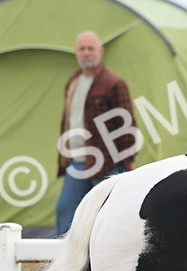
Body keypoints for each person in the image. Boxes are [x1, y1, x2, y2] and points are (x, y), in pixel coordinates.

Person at [55, 30, 139, 235]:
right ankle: (65, 263)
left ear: (100, 51)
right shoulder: (73, 82)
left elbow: (127, 128)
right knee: (66, 212)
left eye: (90, 48)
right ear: (76, 53)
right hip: (77, 162)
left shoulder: (113, 83)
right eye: (81, 49)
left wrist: (125, 162)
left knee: (110, 218)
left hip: (107, 164)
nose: (86, 53)